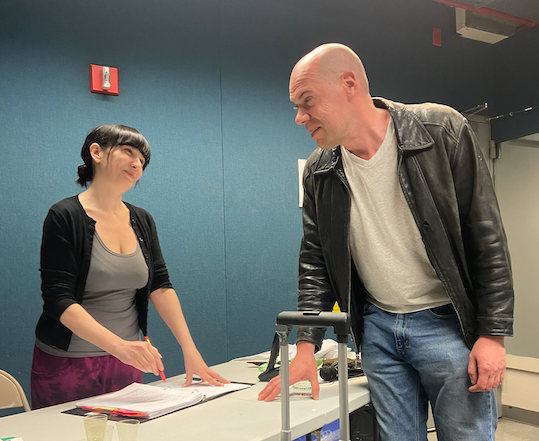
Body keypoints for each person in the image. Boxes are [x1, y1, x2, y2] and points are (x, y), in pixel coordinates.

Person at [258, 44, 514, 441]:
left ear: (349, 84)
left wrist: (493, 335)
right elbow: (315, 262)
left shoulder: (441, 130)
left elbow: (487, 237)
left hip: (450, 326)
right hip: (378, 329)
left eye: (307, 102)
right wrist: (306, 347)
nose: (299, 117)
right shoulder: (319, 169)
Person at [31, 124, 228, 409]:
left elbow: (160, 285)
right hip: (67, 364)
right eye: (128, 152)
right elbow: (58, 299)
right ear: (96, 152)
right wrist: (119, 346)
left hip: (126, 362)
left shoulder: (142, 219)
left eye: (143, 160)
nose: (137, 163)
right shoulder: (64, 216)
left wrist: (190, 350)